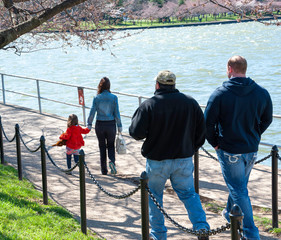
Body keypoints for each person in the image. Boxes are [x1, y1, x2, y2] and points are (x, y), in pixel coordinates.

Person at [129, 70, 210, 240]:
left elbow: (136, 132)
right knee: (188, 194)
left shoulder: (149, 105)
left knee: (155, 196)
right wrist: (191, 147)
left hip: (157, 160)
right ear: (173, 84)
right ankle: (201, 227)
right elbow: (202, 132)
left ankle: (159, 235)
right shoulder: (190, 103)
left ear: (157, 85)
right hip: (183, 158)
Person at [204, 55, 273, 240]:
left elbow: (207, 124)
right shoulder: (261, 92)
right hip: (251, 148)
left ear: (229, 68)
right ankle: (229, 212)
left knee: (239, 189)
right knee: (239, 186)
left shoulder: (219, 94)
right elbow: (267, 119)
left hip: (229, 149)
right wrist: (256, 135)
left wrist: (215, 143)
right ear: (245, 69)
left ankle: (251, 233)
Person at [87, 77, 122, 175]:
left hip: (100, 124)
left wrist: (89, 124)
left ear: (100, 86)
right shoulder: (114, 97)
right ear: (109, 86)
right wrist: (119, 126)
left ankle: (104, 170)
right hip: (111, 125)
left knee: (102, 147)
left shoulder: (96, 98)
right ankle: (112, 162)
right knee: (111, 145)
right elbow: (117, 113)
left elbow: (92, 112)